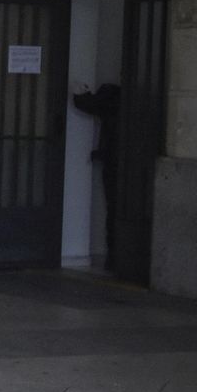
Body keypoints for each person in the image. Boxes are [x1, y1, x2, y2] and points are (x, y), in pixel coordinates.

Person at [72, 81, 121, 266]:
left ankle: (114, 256)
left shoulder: (112, 95)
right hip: (129, 162)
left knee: (114, 208)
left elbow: (87, 104)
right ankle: (116, 256)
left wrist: (80, 92)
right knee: (119, 209)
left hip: (113, 159)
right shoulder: (141, 99)